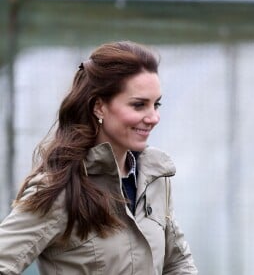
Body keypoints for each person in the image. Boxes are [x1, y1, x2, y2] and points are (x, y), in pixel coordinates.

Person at [0, 41, 198, 275]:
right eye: (139, 105)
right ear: (99, 107)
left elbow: (177, 264)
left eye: (156, 104)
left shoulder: (155, 178)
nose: (153, 117)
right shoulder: (59, 189)